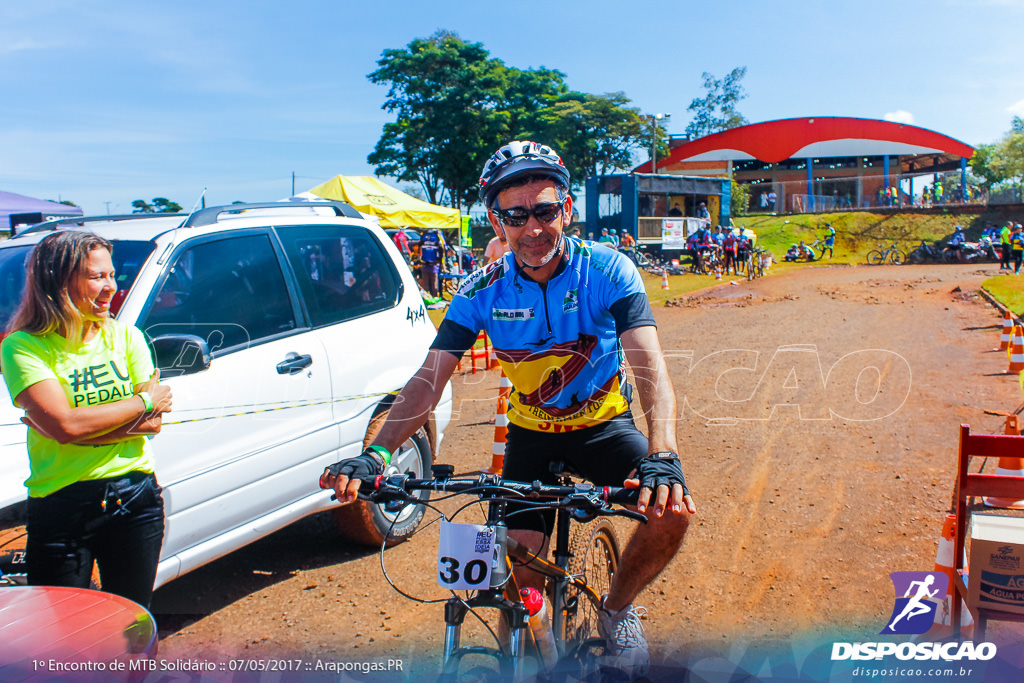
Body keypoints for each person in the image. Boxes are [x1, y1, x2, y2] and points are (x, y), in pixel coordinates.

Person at [320, 140, 694, 678]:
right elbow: (429, 379)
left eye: (545, 210)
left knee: (672, 511)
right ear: (497, 221)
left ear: (566, 209)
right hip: (530, 436)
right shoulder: (482, 288)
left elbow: (649, 366)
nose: (533, 227)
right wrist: (377, 453)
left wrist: (663, 453)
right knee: (516, 580)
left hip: (602, 427)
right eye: (516, 215)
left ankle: (616, 609)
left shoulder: (608, 270)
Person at [0, 231, 173, 609]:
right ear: (58, 281)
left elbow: (152, 424)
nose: (111, 287)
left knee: (132, 622)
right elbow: (69, 425)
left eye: (112, 276)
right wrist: (141, 400)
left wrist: (73, 427)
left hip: (136, 497)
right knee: (66, 634)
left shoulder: (127, 337)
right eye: (97, 277)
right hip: (62, 505)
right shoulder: (23, 345)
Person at [418, 228, 445, 297]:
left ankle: (433, 297)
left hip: (432, 263)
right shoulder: (435, 235)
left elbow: (441, 249)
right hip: (429, 262)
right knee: (429, 283)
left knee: (432, 283)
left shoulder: (431, 235)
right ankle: (427, 297)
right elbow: (442, 249)